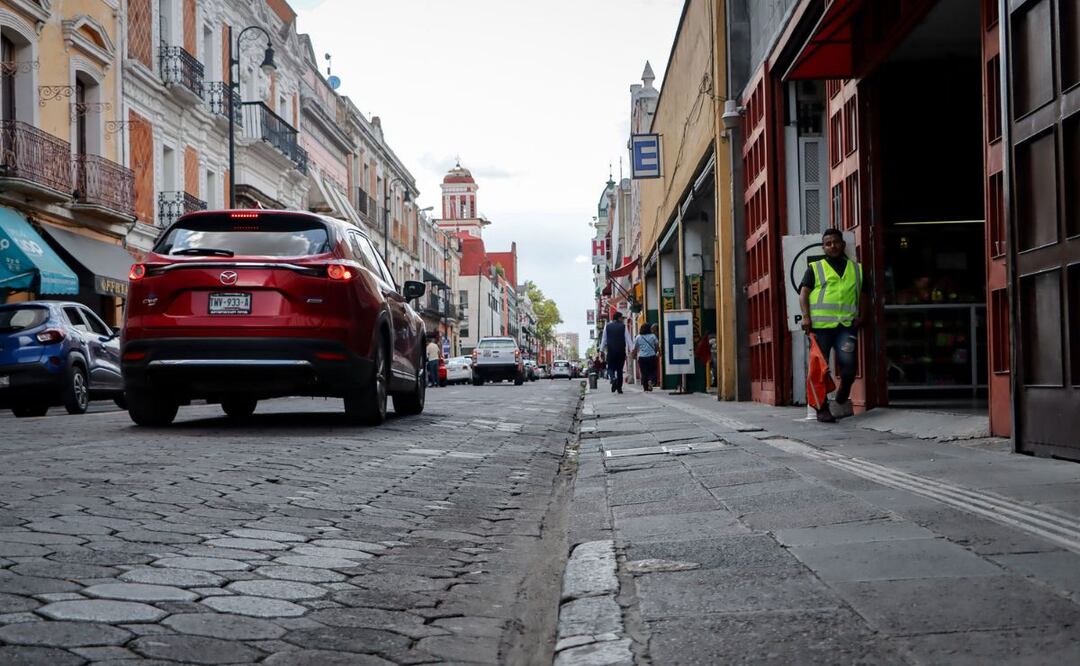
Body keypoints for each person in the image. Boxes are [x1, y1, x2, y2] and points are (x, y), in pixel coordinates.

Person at [798, 228, 869, 423]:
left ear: (843, 244)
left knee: (849, 367)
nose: (832, 246)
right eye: (828, 243)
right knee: (818, 369)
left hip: (845, 326)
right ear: (823, 247)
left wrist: (863, 315)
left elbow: (864, 293)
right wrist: (806, 317)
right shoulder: (815, 268)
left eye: (836, 242)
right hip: (820, 328)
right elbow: (803, 294)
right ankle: (822, 409)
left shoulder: (857, 269)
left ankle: (842, 393)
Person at [600, 311, 634, 394]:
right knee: (619, 370)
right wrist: (632, 350)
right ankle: (619, 389)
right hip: (621, 351)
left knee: (610, 368)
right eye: (621, 318)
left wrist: (601, 350)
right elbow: (628, 339)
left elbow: (604, 339)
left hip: (611, 351)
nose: (622, 319)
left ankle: (612, 378)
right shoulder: (623, 327)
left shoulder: (607, 327)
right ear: (619, 318)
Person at [633, 322, 660, 391]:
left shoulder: (638, 337)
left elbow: (635, 348)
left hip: (642, 358)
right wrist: (658, 352)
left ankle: (645, 388)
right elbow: (657, 345)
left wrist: (634, 355)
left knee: (644, 372)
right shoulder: (653, 336)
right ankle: (651, 380)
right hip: (652, 356)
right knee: (653, 371)